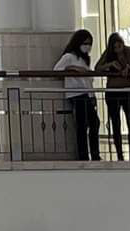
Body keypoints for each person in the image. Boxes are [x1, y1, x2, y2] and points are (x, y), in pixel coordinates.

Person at [53, 30, 101, 161]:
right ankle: (84, 155)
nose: (88, 46)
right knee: (83, 125)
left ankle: (94, 153)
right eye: (85, 43)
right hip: (76, 94)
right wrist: (72, 69)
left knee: (93, 123)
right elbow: (56, 70)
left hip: (86, 94)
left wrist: (93, 96)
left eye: (90, 43)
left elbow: (88, 80)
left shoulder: (85, 59)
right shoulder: (69, 57)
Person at [96, 32, 130, 160]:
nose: (118, 49)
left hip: (127, 91)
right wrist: (110, 64)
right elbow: (97, 68)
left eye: (120, 46)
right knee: (116, 124)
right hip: (112, 92)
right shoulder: (108, 55)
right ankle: (119, 155)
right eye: (115, 47)